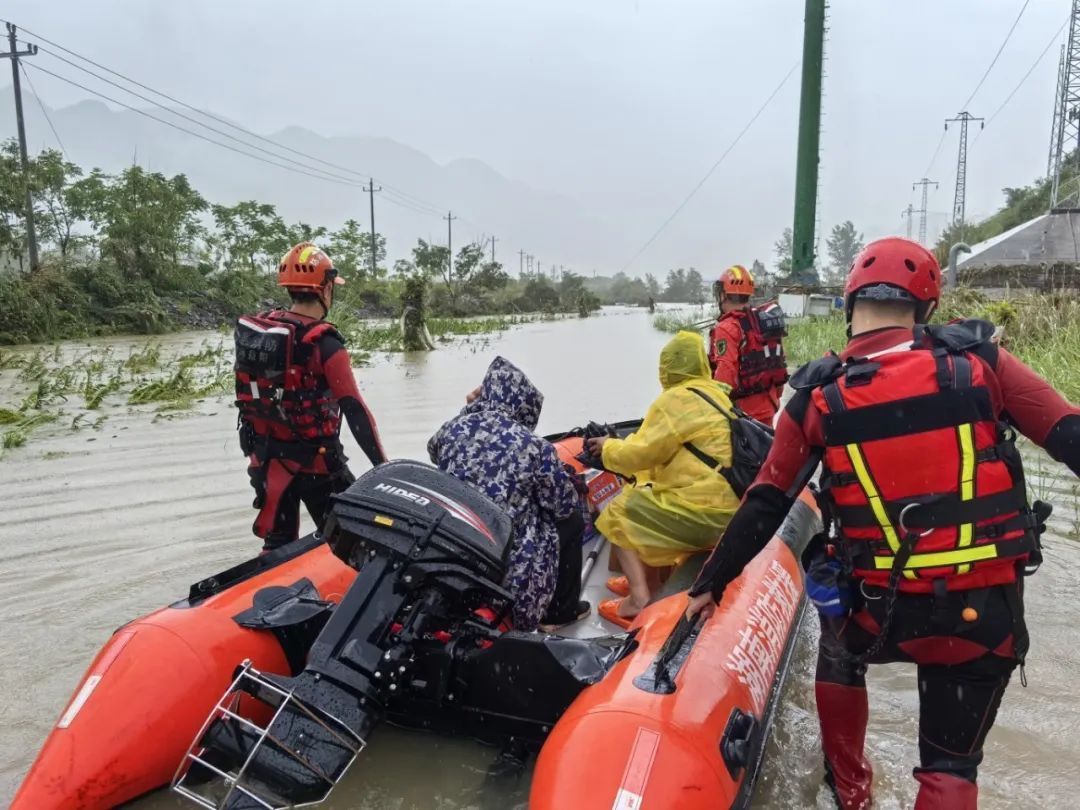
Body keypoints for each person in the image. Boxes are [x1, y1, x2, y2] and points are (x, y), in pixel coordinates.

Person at [686, 237, 1080, 809]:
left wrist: (709, 583)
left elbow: (766, 501)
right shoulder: (983, 363)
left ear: (850, 305)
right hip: (980, 614)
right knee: (949, 772)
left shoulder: (814, 399)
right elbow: (1069, 437)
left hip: (876, 610)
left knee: (838, 650)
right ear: (926, 308)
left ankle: (850, 789)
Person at [235, 242, 387, 551]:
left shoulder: (262, 334)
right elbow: (355, 410)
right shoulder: (327, 345)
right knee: (355, 542)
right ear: (326, 288)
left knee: (277, 542)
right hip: (318, 464)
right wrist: (383, 467)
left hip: (266, 459)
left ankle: (270, 588)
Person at [585, 331, 740, 628]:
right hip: (729, 510)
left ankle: (638, 599)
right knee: (649, 492)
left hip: (704, 514)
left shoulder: (675, 400)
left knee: (619, 509)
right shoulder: (717, 393)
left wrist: (607, 449)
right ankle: (649, 582)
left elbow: (640, 454)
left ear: (668, 368)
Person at [427, 356, 588, 632]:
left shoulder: (452, 429)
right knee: (572, 520)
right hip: (508, 558)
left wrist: (470, 410)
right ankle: (559, 613)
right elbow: (562, 505)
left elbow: (434, 451)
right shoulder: (534, 447)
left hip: (457, 541)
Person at [708, 264, 788, 424]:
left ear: (724, 295)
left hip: (742, 414)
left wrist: (713, 409)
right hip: (769, 405)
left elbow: (725, 375)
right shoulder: (763, 321)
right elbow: (778, 362)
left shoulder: (727, 328)